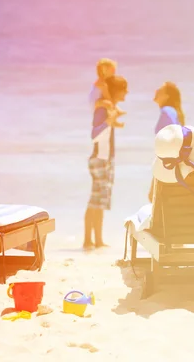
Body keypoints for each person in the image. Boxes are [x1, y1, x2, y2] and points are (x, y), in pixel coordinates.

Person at [84, 75, 129, 250]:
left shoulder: (108, 108)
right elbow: (94, 135)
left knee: (100, 201)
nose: (127, 92)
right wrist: (109, 121)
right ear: (117, 90)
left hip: (105, 159)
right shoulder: (102, 110)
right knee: (95, 201)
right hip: (100, 159)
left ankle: (98, 240)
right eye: (124, 89)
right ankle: (88, 240)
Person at [148, 82, 187, 202]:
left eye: (160, 90)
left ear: (167, 96)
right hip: (172, 161)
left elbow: (173, 133)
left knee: (155, 197)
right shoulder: (173, 111)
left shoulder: (167, 111)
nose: (156, 91)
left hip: (166, 161)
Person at [88, 58, 126, 127]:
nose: (114, 72)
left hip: (98, 100)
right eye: (112, 70)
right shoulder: (102, 83)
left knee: (110, 105)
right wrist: (112, 105)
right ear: (104, 71)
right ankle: (114, 121)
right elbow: (107, 96)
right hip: (96, 102)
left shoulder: (101, 81)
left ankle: (114, 120)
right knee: (109, 104)